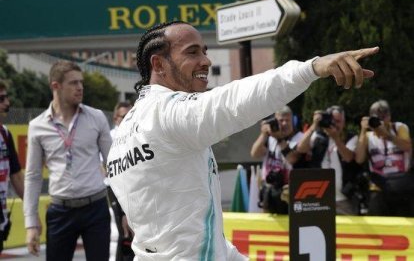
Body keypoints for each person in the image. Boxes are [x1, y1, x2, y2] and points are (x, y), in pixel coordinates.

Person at [106, 20, 379, 260]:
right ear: (158, 63)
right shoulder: (168, 114)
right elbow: (234, 101)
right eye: (192, 52)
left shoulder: (124, 133)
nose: (206, 61)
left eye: (205, 51)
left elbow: (192, 237)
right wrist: (312, 68)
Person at [23, 61, 113, 260]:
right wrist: (30, 223)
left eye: (81, 82)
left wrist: (123, 211)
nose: (80, 87)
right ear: (56, 86)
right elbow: (33, 176)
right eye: (73, 83)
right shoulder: (37, 126)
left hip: (95, 208)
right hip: (60, 211)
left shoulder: (97, 118)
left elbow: (114, 167)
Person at [296, 106, 363, 215]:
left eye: (339, 121)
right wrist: (314, 125)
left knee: (346, 231)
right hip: (319, 198)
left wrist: (336, 138)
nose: (335, 124)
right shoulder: (317, 136)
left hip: (343, 198)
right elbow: (301, 148)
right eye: (333, 121)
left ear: (344, 123)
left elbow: (348, 157)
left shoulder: (350, 138)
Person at [355, 100, 414, 216]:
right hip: (378, 187)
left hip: (402, 186)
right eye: (377, 119)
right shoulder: (367, 136)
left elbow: (407, 146)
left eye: (384, 117)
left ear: (389, 116)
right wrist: (363, 130)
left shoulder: (399, 128)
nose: (380, 122)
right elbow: (359, 159)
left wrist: (387, 135)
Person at [250, 106, 304, 214]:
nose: (284, 124)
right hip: (269, 191)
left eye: (287, 120)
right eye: (280, 120)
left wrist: (279, 139)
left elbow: (292, 159)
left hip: (289, 192)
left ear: (293, 120)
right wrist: (264, 133)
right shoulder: (270, 138)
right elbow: (254, 153)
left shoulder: (300, 137)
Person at [107, 101, 134, 261]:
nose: (128, 119)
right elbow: (102, 165)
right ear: (116, 119)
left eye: (131, 115)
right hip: (115, 188)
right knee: (123, 233)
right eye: (124, 116)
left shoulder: (137, 133)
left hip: (134, 187)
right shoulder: (110, 136)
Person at [0, 81, 24, 253]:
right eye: (1, 99)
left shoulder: (5, 133)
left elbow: (16, 176)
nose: (7, 103)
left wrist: (31, 212)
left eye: (7, 98)